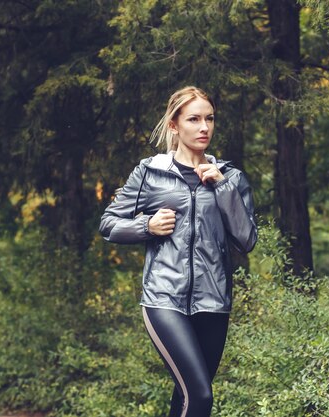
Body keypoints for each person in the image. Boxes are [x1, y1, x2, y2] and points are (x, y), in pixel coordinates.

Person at [99, 86, 257, 417]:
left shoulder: (231, 176)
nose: (204, 127)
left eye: (209, 119)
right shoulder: (150, 173)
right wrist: (146, 227)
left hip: (213, 303)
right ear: (174, 125)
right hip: (163, 300)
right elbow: (109, 223)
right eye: (194, 119)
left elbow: (246, 240)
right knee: (200, 396)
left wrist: (223, 186)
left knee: (186, 398)